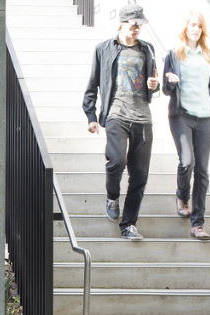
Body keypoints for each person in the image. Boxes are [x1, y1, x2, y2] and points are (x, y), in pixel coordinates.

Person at [83, 3, 160, 240]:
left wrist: (154, 86)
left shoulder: (148, 49)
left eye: (140, 25)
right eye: (133, 24)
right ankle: (112, 196)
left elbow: (152, 81)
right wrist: (91, 116)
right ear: (122, 23)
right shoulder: (104, 49)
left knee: (140, 174)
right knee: (116, 161)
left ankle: (128, 225)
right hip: (116, 114)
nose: (137, 29)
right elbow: (93, 85)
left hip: (142, 117)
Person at [163, 10, 210, 240]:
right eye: (192, 25)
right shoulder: (174, 54)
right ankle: (182, 195)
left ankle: (197, 224)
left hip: (204, 117)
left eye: (199, 26)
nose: (196, 29)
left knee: (203, 171)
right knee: (187, 162)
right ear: (185, 28)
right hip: (181, 115)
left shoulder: (208, 54)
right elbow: (166, 90)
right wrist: (170, 81)